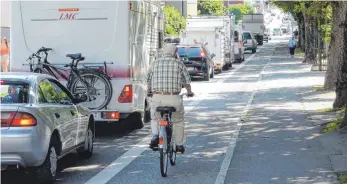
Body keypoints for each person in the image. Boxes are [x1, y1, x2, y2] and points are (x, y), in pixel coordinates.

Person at [146, 43, 194, 154]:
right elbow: (186, 81)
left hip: (158, 97)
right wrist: (189, 92)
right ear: (174, 53)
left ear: (164, 52)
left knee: (155, 118)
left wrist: (149, 91)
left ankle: (155, 136)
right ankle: (179, 146)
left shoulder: (155, 63)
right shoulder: (179, 64)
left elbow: (148, 80)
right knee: (178, 121)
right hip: (174, 98)